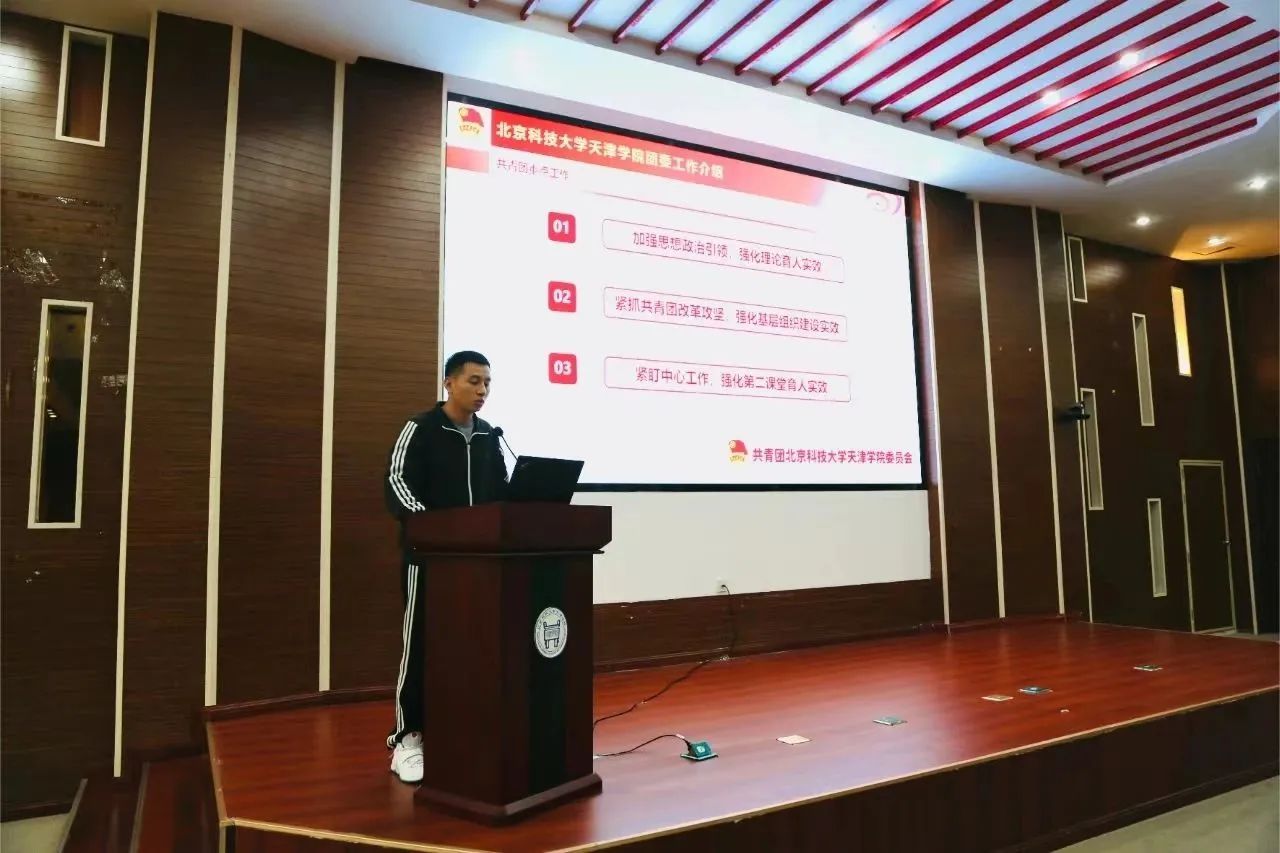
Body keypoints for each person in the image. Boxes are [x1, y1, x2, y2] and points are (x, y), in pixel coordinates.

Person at [382, 350, 509, 783]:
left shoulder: (490, 435)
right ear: (449, 383)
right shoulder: (420, 429)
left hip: (481, 564)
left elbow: (502, 494)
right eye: (474, 381)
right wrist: (435, 528)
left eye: (487, 383)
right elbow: (397, 483)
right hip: (429, 560)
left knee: (476, 646)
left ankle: (462, 728)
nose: (482, 390)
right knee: (420, 646)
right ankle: (407, 739)